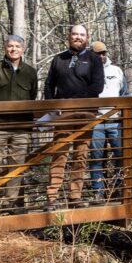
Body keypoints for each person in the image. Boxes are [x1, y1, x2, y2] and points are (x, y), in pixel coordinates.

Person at [0, 35, 39, 217]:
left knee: (16, 167)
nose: (14, 49)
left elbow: (32, 96)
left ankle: (10, 203)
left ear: (23, 49)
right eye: (10, 46)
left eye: (17, 46)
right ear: (5, 48)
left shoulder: (30, 72)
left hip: (21, 128)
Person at [44, 25, 105, 211]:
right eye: (74, 34)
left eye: (81, 34)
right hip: (63, 115)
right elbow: (49, 85)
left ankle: (75, 196)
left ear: (87, 38)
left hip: (86, 114)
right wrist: (53, 108)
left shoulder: (94, 59)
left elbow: (97, 86)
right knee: (59, 154)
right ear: (69, 37)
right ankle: (52, 197)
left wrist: (75, 102)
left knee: (81, 155)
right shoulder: (58, 59)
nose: (77, 37)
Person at [89, 41, 129, 202]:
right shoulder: (86, 70)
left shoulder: (116, 70)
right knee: (96, 158)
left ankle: (118, 189)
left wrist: (124, 116)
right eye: (97, 53)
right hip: (95, 121)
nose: (101, 56)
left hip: (115, 120)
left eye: (103, 53)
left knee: (121, 156)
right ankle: (98, 191)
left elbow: (125, 94)